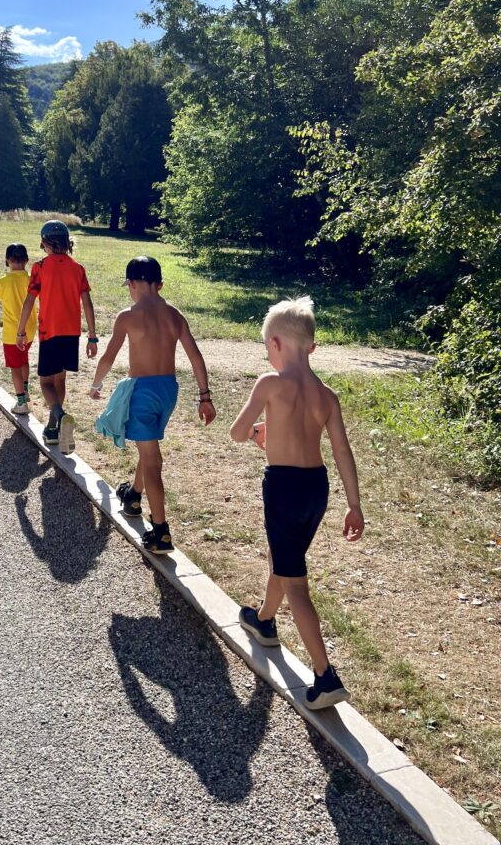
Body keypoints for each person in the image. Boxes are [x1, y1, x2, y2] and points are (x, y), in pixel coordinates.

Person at [230, 295, 365, 710]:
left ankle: (325, 676)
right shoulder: (328, 396)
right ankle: (264, 620)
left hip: (283, 487)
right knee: (285, 557)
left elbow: (236, 432)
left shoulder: (269, 384)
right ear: (312, 347)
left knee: (296, 582)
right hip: (317, 489)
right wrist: (354, 504)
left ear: (274, 345)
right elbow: (342, 451)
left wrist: (257, 432)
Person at [89, 256, 216, 554]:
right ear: (159, 284)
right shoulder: (175, 315)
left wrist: (96, 385)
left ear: (132, 284)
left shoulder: (128, 316)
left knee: (152, 462)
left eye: (129, 287)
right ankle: (133, 496)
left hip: (143, 391)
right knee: (147, 450)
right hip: (168, 391)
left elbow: (108, 357)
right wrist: (204, 397)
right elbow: (196, 358)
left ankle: (160, 532)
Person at [16, 220, 97, 454]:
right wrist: (92, 337)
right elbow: (88, 304)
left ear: (43, 243)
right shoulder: (78, 268)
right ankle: (54, 429)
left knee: (45, 382)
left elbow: (29, 301)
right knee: (60, 380)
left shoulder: (40, 267)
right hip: (71, 334)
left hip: (49, 333)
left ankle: (60, 416)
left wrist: (21, 331)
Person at [0, 244, 37, 415]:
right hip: (30, 329)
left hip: (13, 333)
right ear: (26, 260)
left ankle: (21, 402)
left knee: (14, 366)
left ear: (7, 261)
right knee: (23, 359)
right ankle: (25, 390)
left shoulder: (3, 282)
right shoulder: (32, 279)